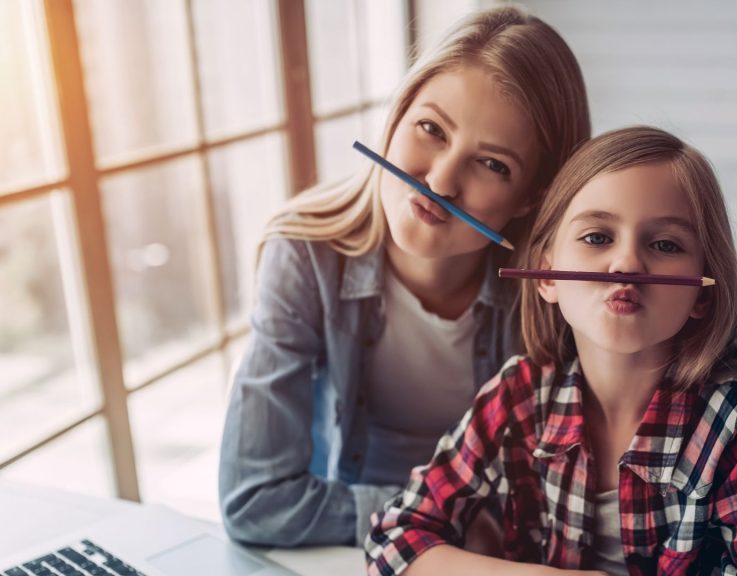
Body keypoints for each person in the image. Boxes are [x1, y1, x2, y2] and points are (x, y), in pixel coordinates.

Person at [366, 127, 737, 575]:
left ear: (702, 293)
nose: (626, 264)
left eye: (665, 245)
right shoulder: (520, 395)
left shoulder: (736, 418)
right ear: (545, 275)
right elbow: (395, 537)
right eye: (597, 238)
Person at [218, 6, 590, 547]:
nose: (440, 181)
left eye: (493, 164)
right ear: (395, 120)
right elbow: (254, 501)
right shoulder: (305, 256)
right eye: (431, 128)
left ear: (533, 194)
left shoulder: (551, 294)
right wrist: (439, 518)